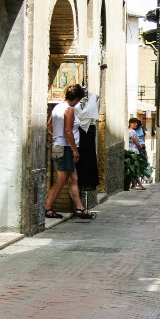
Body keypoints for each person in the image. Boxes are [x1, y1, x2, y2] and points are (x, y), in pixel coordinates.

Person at [44, 84, 92, 219]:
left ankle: (79, 208)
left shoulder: (57, 107)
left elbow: (48, 126)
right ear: (76, 98)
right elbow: (68, 131)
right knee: (62, 179)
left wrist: (55, 137)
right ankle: (47, 207)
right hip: (65, 148)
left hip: (58, 146)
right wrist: (75, 150)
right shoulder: (69, 110)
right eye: (79, 100)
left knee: (73, 178)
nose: (78, 103)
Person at [127, 118, 145, 190]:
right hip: (134, 152)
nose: (136, 124)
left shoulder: (126, 131)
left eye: (136, 123)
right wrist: (140, 148)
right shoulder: (133, 132)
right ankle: (134, 185)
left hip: (128, 151)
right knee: (136, 168)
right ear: (130, 123)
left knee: (133, 169)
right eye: (134, 123)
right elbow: (137, 143)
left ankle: (138, 184)